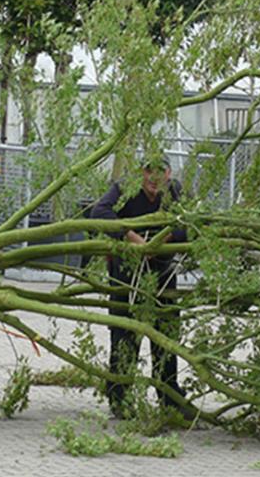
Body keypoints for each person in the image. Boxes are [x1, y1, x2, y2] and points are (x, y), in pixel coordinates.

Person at [91, 156, 186, 417]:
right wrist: (132, 238)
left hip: (163, 273)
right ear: (141, 173)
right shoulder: (125, 188)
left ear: (168, 173)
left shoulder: (176, 191)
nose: (153, 178)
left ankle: (170, 401)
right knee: (124, 334)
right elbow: (99, 213)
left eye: (160, 172)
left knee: (166, 335)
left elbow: (191, 223)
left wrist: (162, 239)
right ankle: (120, 399)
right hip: (126, 272)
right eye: (149, 172)